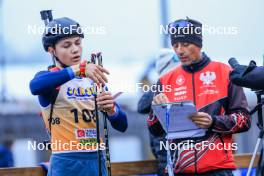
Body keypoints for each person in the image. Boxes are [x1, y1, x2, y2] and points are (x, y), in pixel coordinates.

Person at [147, 18, 251, 175]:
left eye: (185, 44)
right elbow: (154, 130)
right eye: (175, 45)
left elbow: (245, 120)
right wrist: (156, 110)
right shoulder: (164, 80)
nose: (179, 50)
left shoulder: (225, 73)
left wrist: (213, 122)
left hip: (217, 170)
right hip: (179, 170)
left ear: (199, 44)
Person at [29, 16, 127, 176]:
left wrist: (112, 110)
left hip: (97, 158)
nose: (75, 49)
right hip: (66, 160)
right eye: (66, 45)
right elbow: (35, 86)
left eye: (78, 43)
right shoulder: (49, 77)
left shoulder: (92, 77)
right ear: (51, 50)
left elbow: (122, 125)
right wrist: (78, 69)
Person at [137, 48, 179, 175]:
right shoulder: (161, 89)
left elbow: (141, 106)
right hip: (169, 162)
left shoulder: (155, 93)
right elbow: (142, 106)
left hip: (173, 162)